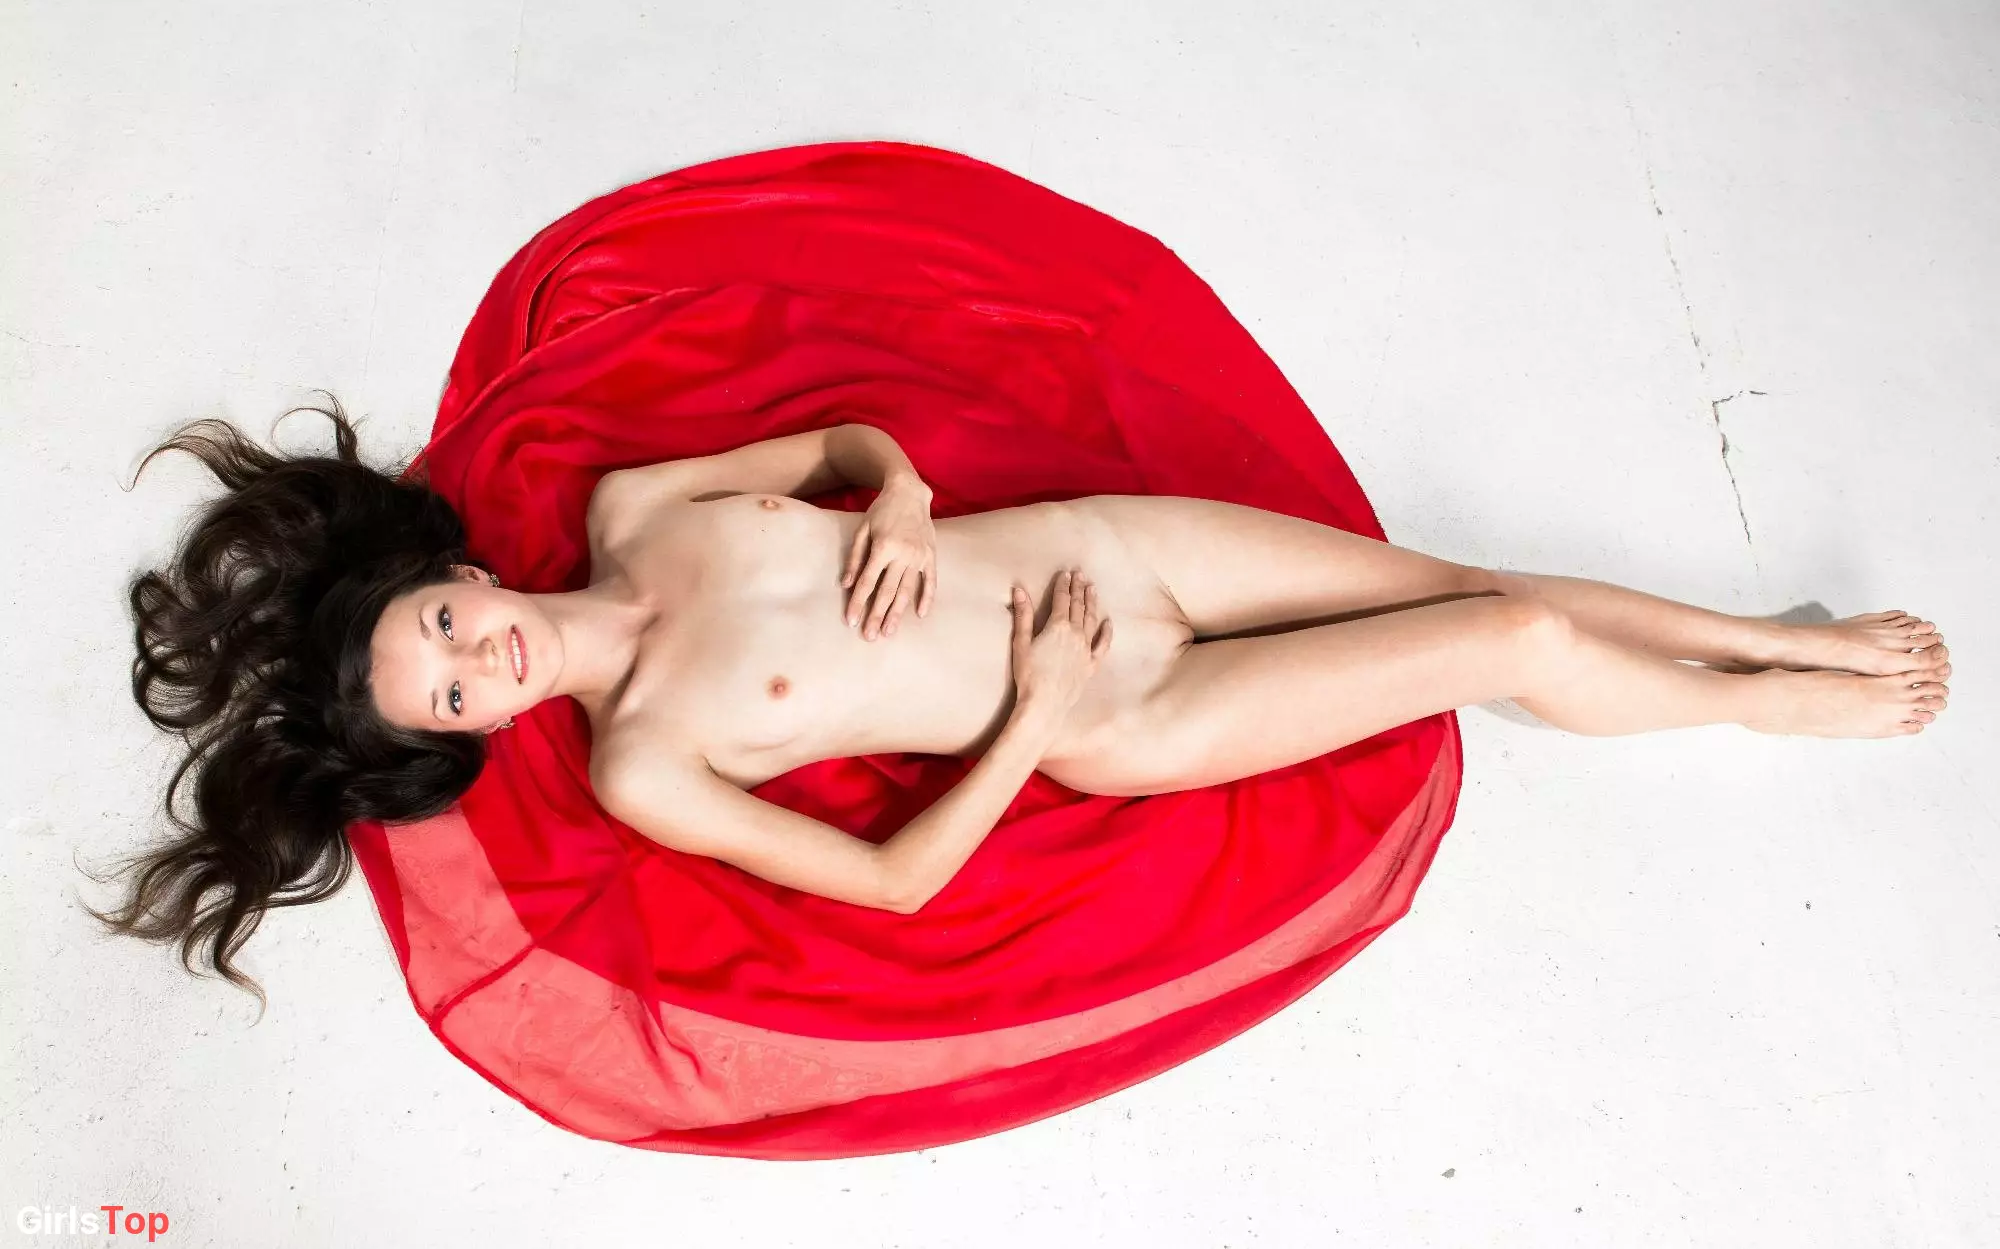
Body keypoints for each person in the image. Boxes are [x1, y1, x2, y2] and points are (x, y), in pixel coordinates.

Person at [94, 400, 1950, 992]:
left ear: (465, 576)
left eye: (442, 623)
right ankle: (1766, 702)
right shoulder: (650, 758)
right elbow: (896, 883)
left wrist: (900, 498)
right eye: (447, 696)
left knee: (1470, 575)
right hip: (1112, 715)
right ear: (474, 737)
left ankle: (1774, 630)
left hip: (1106, 548)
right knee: (1509, 648)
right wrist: (1040, 714)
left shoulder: (633, 508)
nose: (475, 658)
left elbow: (848, 443)